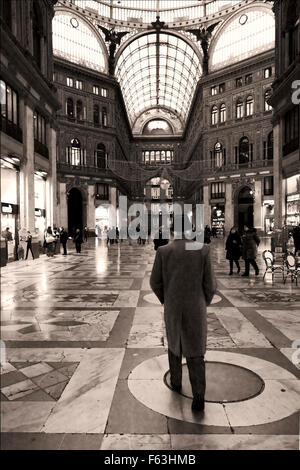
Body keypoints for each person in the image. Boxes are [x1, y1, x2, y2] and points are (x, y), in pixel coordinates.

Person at [150, 215, 217, 412]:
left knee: (174, 345)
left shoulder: (163, 251)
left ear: (172, 230)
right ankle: (198, 397)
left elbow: (154, 282)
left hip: (172, 307)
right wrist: (203, 301)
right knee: (195, 351)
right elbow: (211, 285)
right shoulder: (203, 250)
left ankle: (176, 382)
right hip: (195, 308)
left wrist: (167, 299)